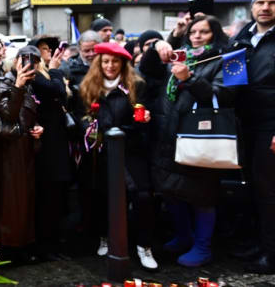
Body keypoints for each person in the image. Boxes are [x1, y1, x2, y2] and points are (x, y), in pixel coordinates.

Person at [143, 16, 233, 268]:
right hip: (169, 134)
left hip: (200, 137)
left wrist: (189, 79)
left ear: (215, 34)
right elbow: (148, 70)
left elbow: (226, 95)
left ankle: (203, 247)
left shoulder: (229, 57)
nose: (197, 36)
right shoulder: (180, 54)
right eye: (193, 31)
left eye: (204, 32)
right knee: (172, 190)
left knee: (202, 194)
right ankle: (184, 236)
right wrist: (161, 43)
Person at [78, 42, 158, 270]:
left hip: (131, 150)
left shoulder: (136, 86)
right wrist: (92, 129)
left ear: (123, 64)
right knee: (102, 197)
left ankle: (144, 246)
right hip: (101, 153)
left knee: (142, 196)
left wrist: (135, 125)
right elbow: (81, 116)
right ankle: (105, 237)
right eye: (105, 61)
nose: (110, 66)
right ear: (98, 63)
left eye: (115, 61)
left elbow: (141, 119)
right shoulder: (88, 87)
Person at [231, 0, 275, 274]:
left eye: (272, 3)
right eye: (261, 2)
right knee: (254, 190)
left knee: (269, 191)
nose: (266, 7)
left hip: (270, 126)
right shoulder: (243, 37)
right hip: (245, 123)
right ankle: (260, 243)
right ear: (252, 7)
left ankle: (272, 255)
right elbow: (231, 78)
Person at [0, 46, 45, 263]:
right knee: (12, 202)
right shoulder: (5, 83)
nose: (28, 65)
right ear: (15, 62)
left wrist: (39, 128)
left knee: (25, 200)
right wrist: (18, 86)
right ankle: (10, 248)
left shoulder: (31, 86)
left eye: (34, 61)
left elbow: (29, 116)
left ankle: (22, 246)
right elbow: (9, 114)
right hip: (9, 151)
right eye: (24, 60)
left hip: (26, 149)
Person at [28, 36, 72, 260]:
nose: (49, 53)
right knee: (47, 196)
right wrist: (55, 70)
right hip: (46, 145)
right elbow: (56, 91)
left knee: (57, 195)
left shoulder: (50, 72)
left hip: (58, 141)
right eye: (44, 49)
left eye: (50, 49)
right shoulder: (35, 74)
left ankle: (55, 243)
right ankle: (45, 246)